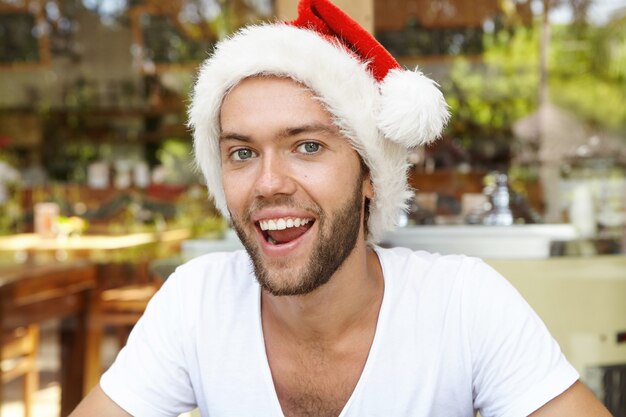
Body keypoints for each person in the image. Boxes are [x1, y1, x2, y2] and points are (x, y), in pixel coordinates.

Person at [71, 0, 612, 416]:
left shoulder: (464, 304)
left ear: (370, 175)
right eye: (241, 152)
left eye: (307, 146)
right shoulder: (195, 303)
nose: (269, 182)